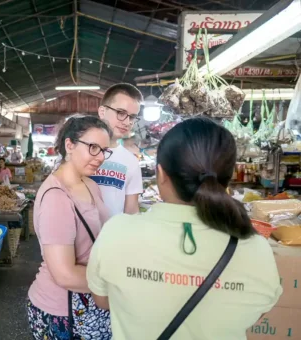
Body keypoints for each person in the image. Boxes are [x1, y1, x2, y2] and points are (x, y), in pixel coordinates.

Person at [87, 117, 282, 340]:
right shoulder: (255, 248)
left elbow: (103, 300)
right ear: (227, 179)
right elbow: (257, 312)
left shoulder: (116, 233)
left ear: (160, 174)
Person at [27, 115, 112, 339]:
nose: (100, 157)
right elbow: (64, 274)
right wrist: (120, 282)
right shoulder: (57, 196)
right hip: (62, 312)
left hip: (90, 301)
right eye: (93, 147)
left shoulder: (91, 184)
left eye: (104, 150)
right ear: (69, 145)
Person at [91, 83, 144, 216]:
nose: (127, 122)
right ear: (102, 111)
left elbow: (131, 212)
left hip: (114, 236)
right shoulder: (76, 151)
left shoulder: (131, 161)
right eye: (121, 113)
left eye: (132, 117)